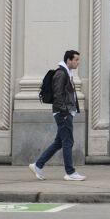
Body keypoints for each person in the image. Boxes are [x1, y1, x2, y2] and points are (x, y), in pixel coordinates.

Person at [29, 50, 85, 181]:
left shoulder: (66, 73)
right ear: (68, 60)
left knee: (59, 142)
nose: (78, 62)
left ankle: (38, 165)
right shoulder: (61, 74)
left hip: (64, 112)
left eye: (78, 60)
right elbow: (58, 94)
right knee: (68, 142)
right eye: (76, 60)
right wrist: (65, 112)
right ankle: (70, 172)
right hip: (62, 113)